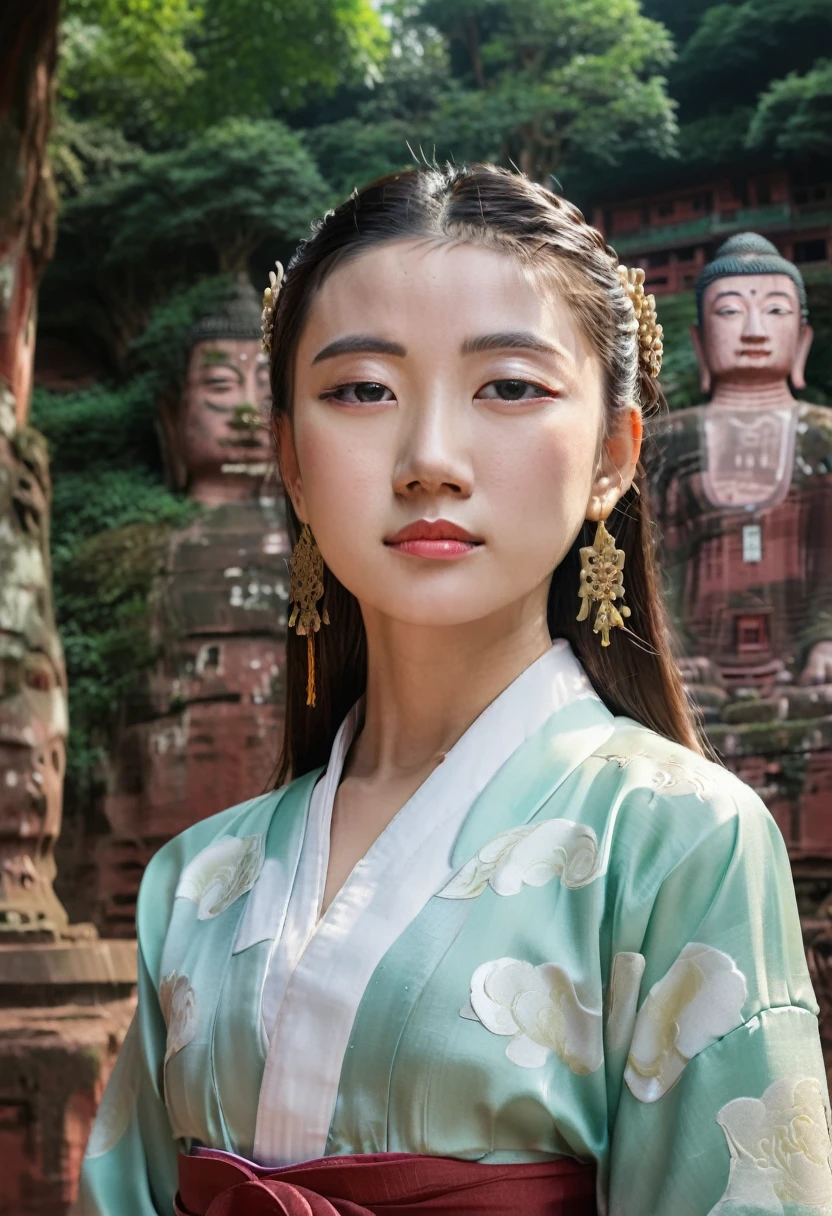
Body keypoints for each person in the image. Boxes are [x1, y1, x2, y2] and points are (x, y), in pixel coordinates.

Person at [76, 166, 831, 1216]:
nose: (429, 458)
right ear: (290, 457)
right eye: (361, 390)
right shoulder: (195, 880)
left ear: (614, 455)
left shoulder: (680, 841)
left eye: (509, 387)